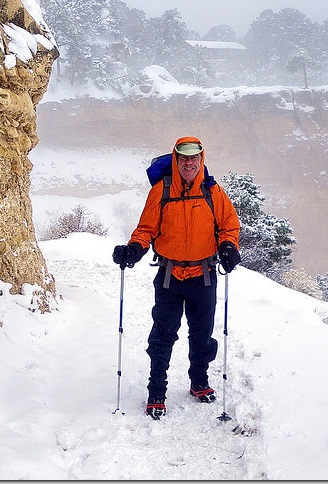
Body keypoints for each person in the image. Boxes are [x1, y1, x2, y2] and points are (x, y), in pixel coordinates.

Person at [112, 136, 241, 419]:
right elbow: (146, 228)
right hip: (170, 276)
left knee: (202, 334)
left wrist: (229, 246)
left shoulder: (212, 191)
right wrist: (134, 249)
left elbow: (229, 225)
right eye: (184, 158)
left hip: (203, 275)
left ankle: (199, 381)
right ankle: (156, 391)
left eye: (194, 158)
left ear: (201, 159)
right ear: (176, 160)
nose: (189, 163)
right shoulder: (162, 190)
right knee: (162, 335)